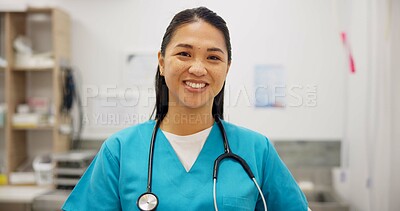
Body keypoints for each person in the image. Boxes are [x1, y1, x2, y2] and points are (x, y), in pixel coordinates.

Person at [62, 7, 309, 211]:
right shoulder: (120, 151)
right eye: (184, 54)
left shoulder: (257, 150)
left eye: (213, 57)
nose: (198, 69)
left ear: (227, 68)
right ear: (161, 61)